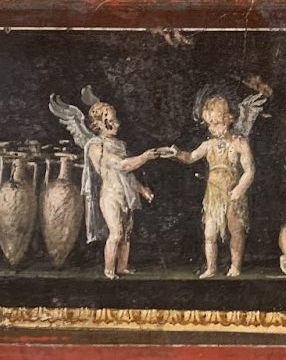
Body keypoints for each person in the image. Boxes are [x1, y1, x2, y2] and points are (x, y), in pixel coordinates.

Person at [163, 96, 255, 278]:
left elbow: (250, 171)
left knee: (235, 230)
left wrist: (239, 189)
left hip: (233, 195)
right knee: (210, 234)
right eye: (210, 124)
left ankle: (235, 266)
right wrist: (177, 153)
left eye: (217, 123)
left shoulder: (239, 143)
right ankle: (211, 268)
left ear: (229, 119)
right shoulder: (208, 145)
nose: (213, 128)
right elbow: (190, 157)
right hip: (213, 196)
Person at [83, 102, 162, 279]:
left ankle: (122, 267)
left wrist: (142, 190)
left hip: (126, 194)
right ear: (99, 124)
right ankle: (109, 269)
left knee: (126, 234)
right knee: (116, 233)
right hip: (110, 195)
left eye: (116, 119)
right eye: (112, 121)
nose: (117, 124)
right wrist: (145, 157)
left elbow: (128, 176)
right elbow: (122, 165)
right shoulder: (97, 147)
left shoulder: (119, 144)